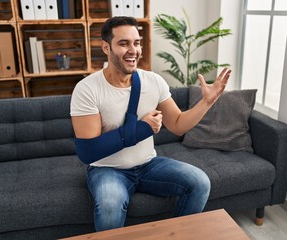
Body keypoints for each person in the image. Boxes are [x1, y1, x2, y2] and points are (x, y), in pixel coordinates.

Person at [70, 16, 231, 232]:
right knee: (110, 204)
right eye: (124, 43)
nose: (133, 50)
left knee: (199, 182)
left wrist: (206, 102)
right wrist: (142, 129)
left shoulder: (153, 81)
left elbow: (177, 125)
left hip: (148, 165)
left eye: (136, 43)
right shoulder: (87, 89)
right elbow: (89, 152)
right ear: (105, 47)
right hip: (108, 170)